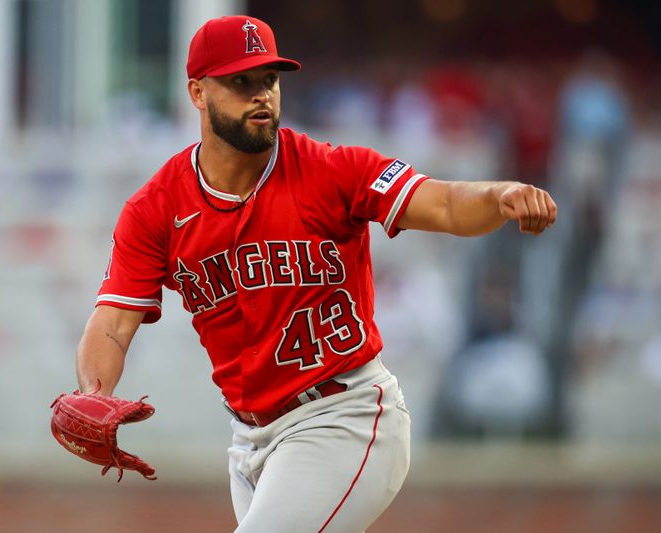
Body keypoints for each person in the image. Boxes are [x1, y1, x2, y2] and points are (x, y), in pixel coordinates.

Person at [74, 15, 557, 532]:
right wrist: (93, 394)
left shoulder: (329, 170)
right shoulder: (156, 209)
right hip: (251, 442)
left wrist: (498, 194)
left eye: (269, 79)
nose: (261, 95)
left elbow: (441, 204)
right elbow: (111, 324)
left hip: (343, 417)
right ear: (197, 92)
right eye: (241, 82)